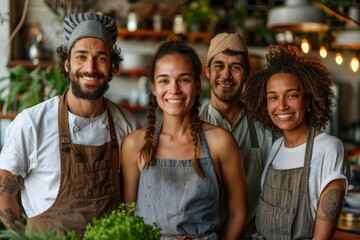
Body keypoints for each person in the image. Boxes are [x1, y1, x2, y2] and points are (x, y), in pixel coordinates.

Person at [0, 12, 140, 236]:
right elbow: (4, 191)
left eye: (101, 58)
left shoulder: (128, 126)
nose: (91, 67)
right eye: (81, 57)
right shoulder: (32, 123)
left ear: (113, 67)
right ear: (66, 63)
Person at [122, 34, 247, 239]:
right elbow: (127, 214)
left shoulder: (221, 143)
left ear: (197, 86)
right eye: (164, 80)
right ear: (154, 88)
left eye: (184, 80)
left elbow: (238, 213)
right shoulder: (134, 144)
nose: (174, 90)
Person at [243, 44, 349, 239]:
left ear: (307, 100)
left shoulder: (329, 148)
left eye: (291, 95)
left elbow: (321, 237)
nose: (281, 106)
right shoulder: (275, 148)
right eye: (273, 97)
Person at [199, 32, 274, 239]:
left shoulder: (266, 125)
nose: (226, 75)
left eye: (236, 67)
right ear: (207, 71)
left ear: (247, 72)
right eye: (219, 66)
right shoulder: (191, 124)